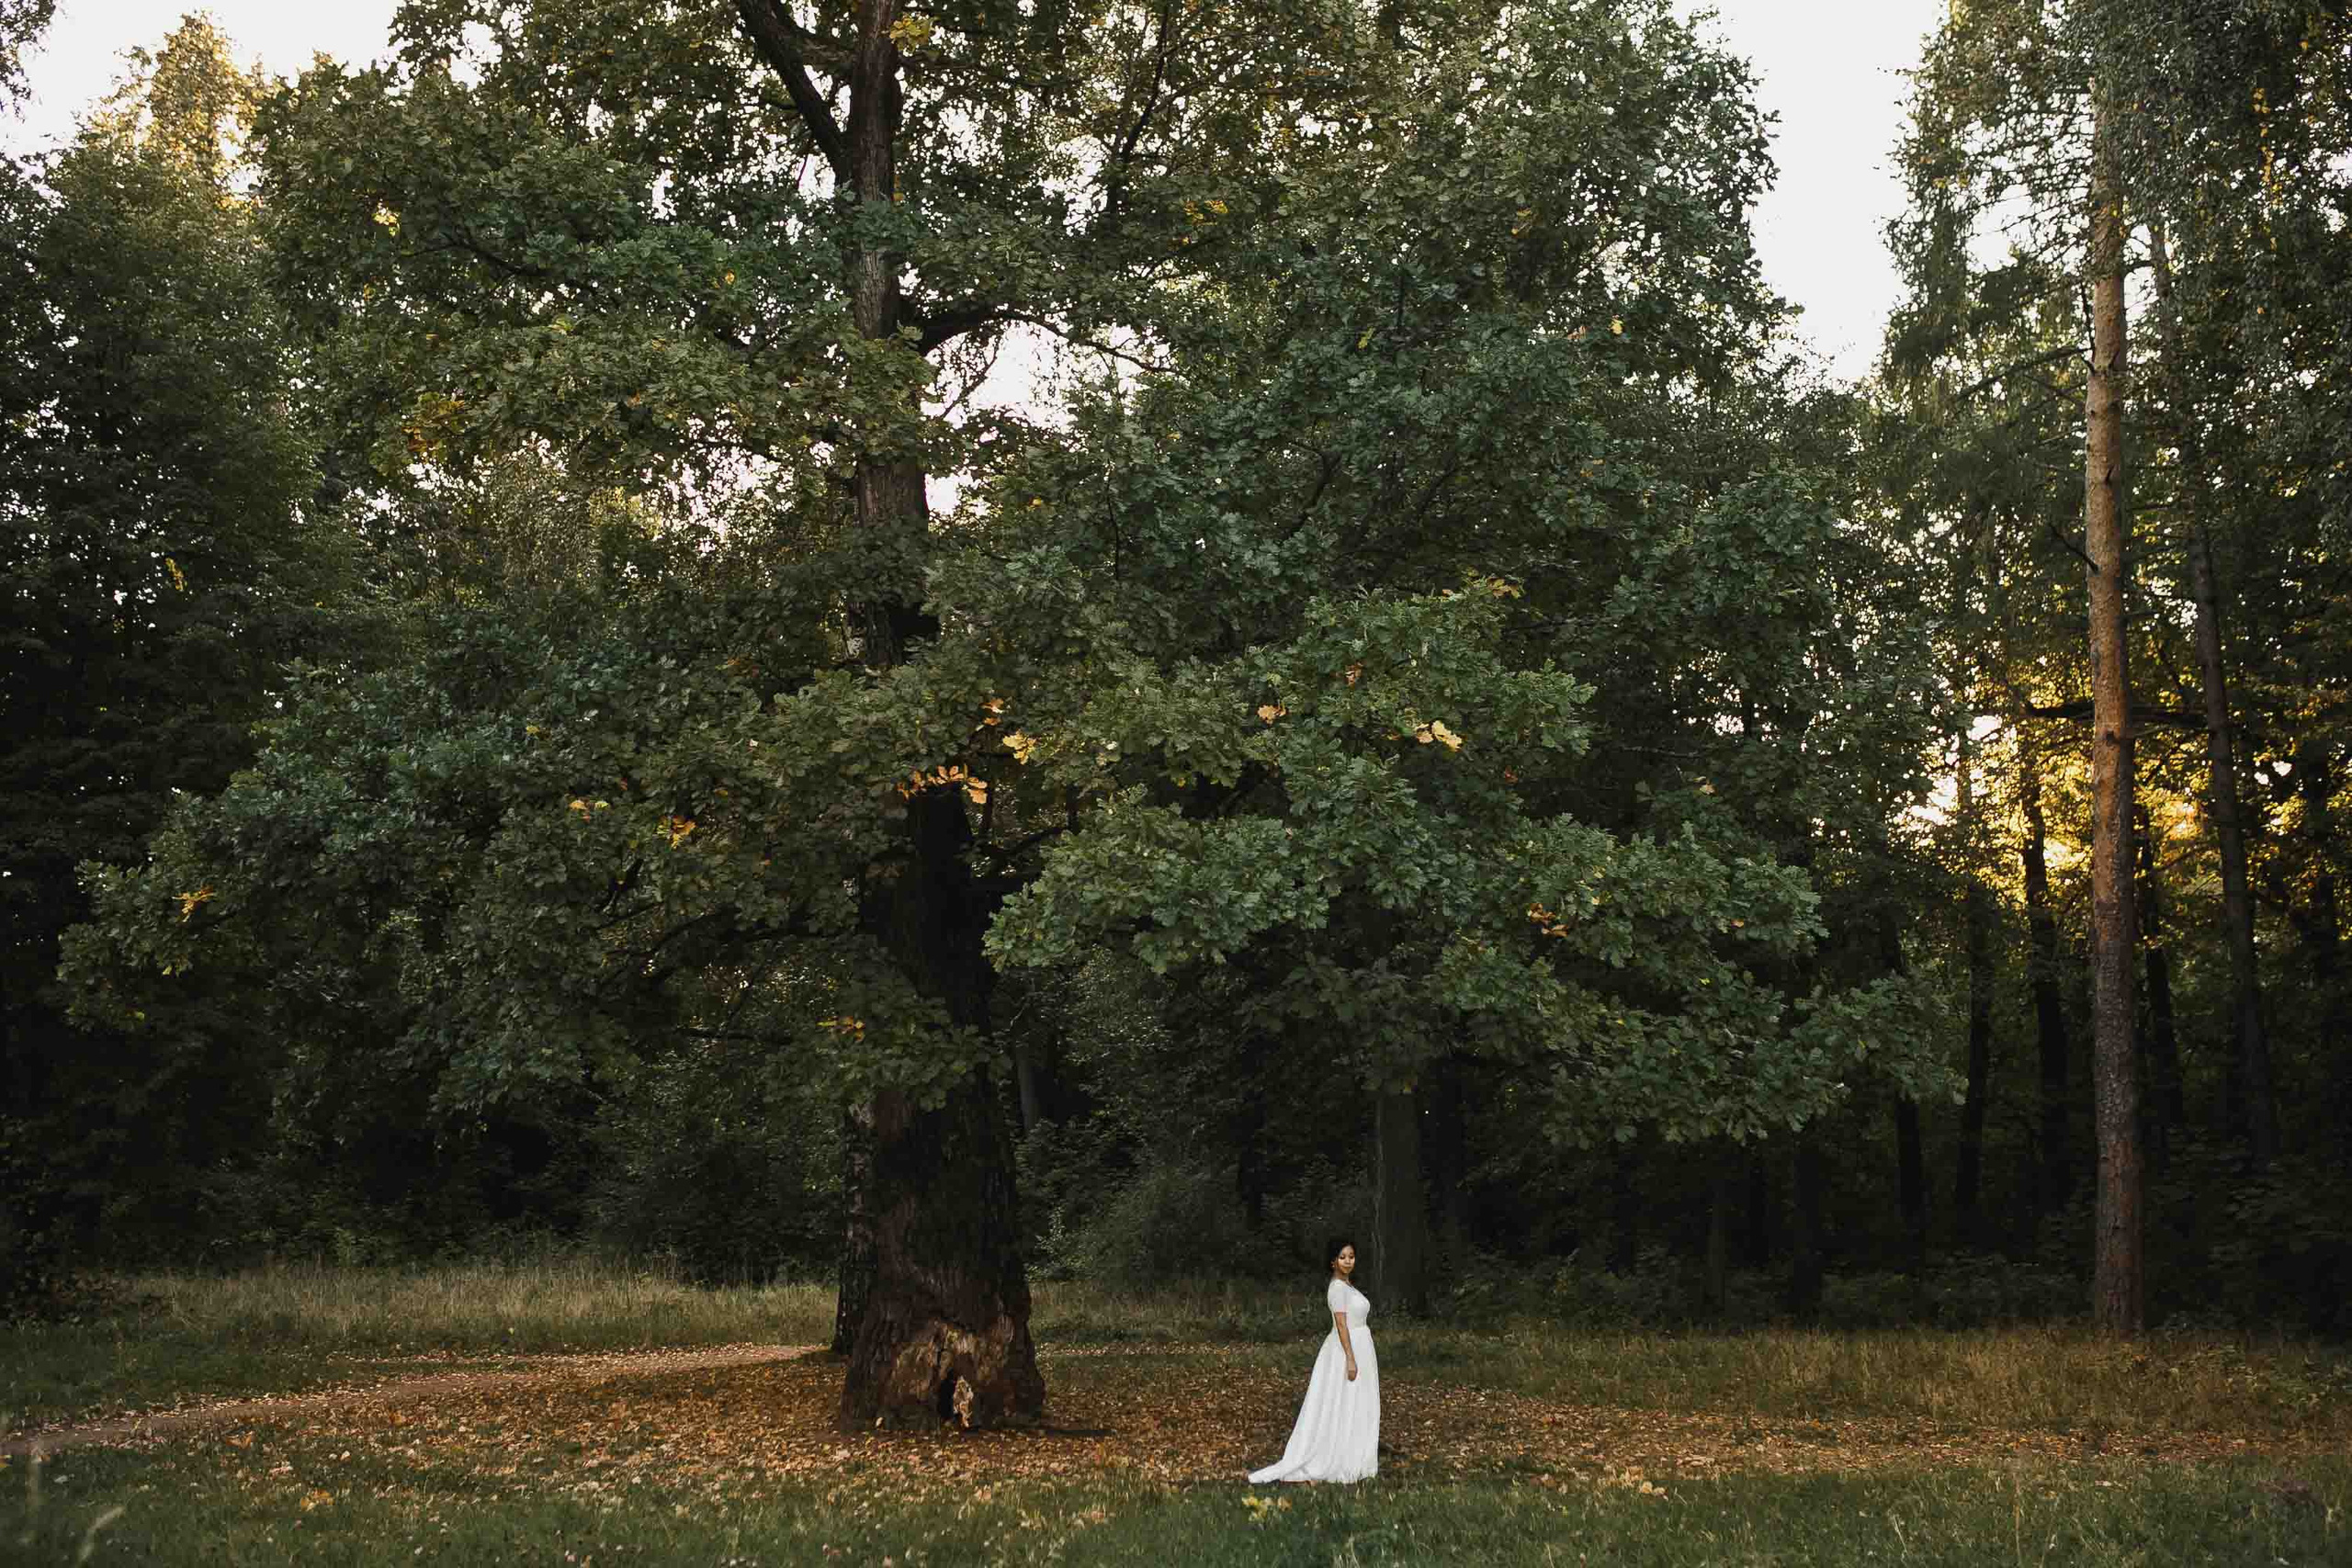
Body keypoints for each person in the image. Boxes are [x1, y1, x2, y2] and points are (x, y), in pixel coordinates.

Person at [1247, 1236, 1379, 1483]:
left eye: (1351, 1256)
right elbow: (1341, 1325)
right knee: (1343, 1400)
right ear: (1333, 1262)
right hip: (1346, 1348)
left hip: (1362, 1345)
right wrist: (1350, 1358)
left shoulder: (1348, 1286)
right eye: (1342, 1257)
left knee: (1359, 1401)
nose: (1348, 1261)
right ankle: (1336, 1456)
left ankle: (1356, 1453)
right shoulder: (1337, 1288)